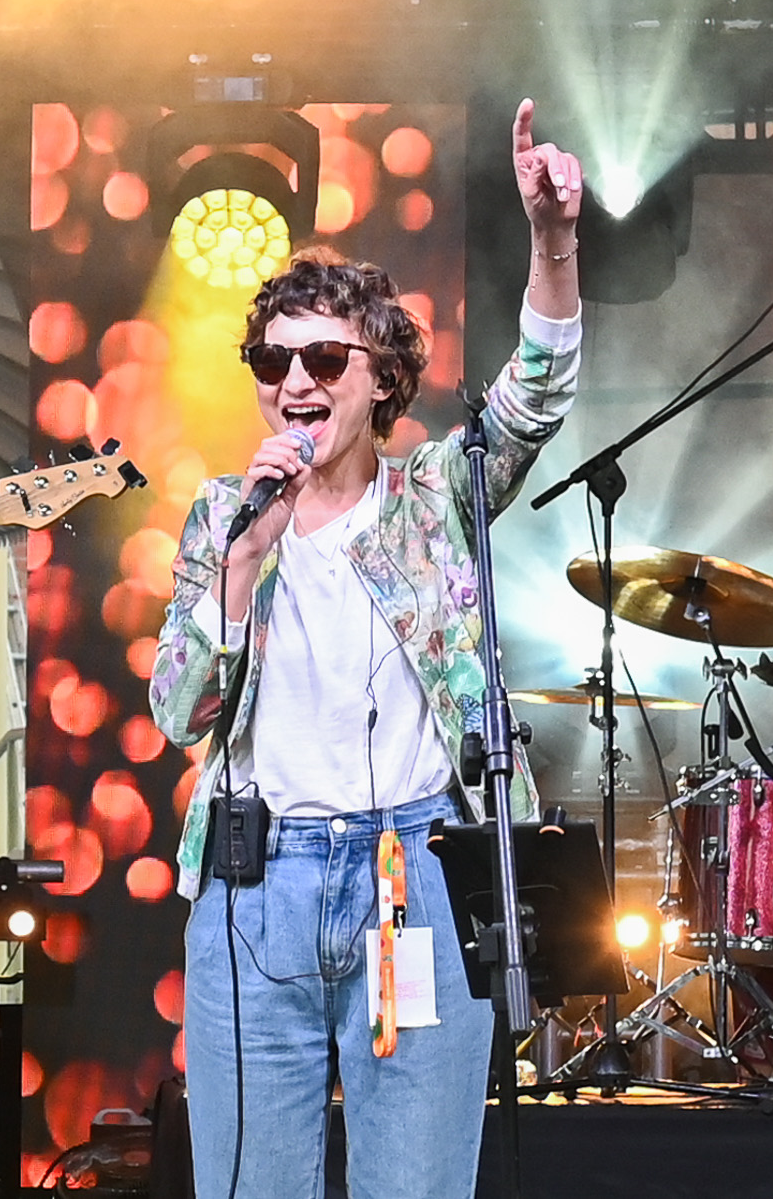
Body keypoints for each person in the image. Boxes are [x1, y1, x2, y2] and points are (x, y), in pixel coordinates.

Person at [149, 100, 582, 1199]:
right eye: (271, 359)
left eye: (322, 357)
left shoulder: (434, 497)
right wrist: (242, 565)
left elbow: (533, 398)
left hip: (414, 876)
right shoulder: (223, 516)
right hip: (258, 884)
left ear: (380, 376)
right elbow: (174, 711)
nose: (293, 382)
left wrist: (552, 240)